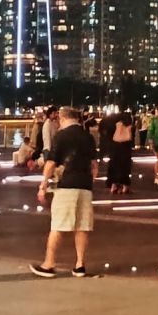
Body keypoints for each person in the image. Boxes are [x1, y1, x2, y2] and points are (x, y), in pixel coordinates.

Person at [31, 106, 96, 277]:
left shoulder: (61, 136)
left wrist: (43, 185)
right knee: (82, 226)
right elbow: (94, 165)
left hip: (66, 185)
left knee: (58, 225)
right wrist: (90, 180)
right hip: (85, 186)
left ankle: (49, 264)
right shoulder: (88, 136)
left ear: (62, 118)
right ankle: (80, 265)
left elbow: (51, 163)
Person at [106, 112, 134, 194]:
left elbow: (110, 135)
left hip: (115, 147)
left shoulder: (116, 124)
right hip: (125, 147)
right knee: (125, 167)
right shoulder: (130, 126)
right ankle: (125, 186)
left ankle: (114, 185)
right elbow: (131, 138)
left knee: (114, 166)